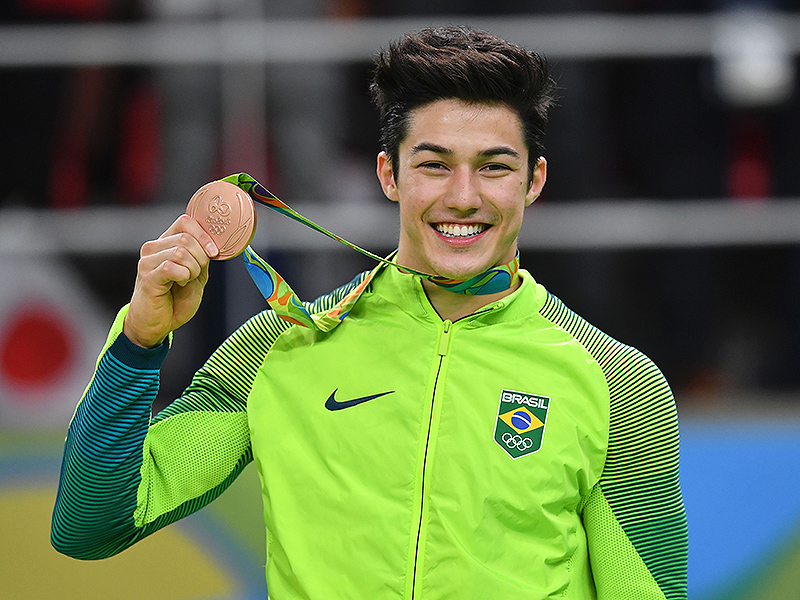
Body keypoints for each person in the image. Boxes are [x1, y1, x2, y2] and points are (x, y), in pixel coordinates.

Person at [51, 26, 688, 599]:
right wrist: (139, 342)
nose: (462, 198)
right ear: (389, 174)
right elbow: (89, 522)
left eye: (494, 168)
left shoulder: (621, 384)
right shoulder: (281, 345)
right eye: (434, 165)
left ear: (534, 182)